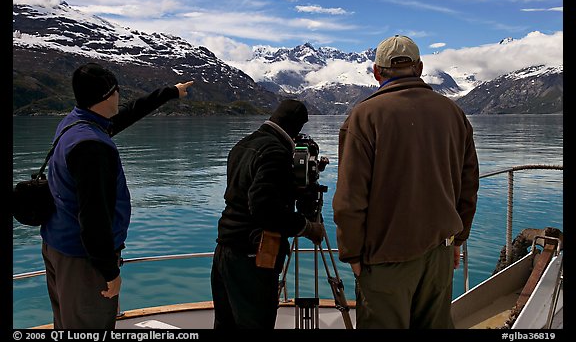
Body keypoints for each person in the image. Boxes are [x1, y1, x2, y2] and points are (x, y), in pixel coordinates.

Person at [332, 35, 480, 329]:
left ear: (376, 71)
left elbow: (350, 199)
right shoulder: (453, 113)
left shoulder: (364, 116)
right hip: (439, 252)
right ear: (420, 67)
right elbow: (469, 185)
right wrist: (457, 241)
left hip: (386, 257)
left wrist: (352, 253)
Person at [40, 62, 193, 329]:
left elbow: (125, 116)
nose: (119, 97)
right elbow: (94, 217)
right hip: (84, 261)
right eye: (117, 91)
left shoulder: (76, 123)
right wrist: (110, 273)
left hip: (57, 245)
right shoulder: (92, 148)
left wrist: (170, 92)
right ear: (107, 95)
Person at [210, 99, 324, 329]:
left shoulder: (244, 144)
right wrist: (306, 227)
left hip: (225, 250)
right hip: (253, 257)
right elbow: (264, 208)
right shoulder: (275, 151)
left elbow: (247, 193)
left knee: (226, 324)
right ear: (297, 126)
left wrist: (289, 187)